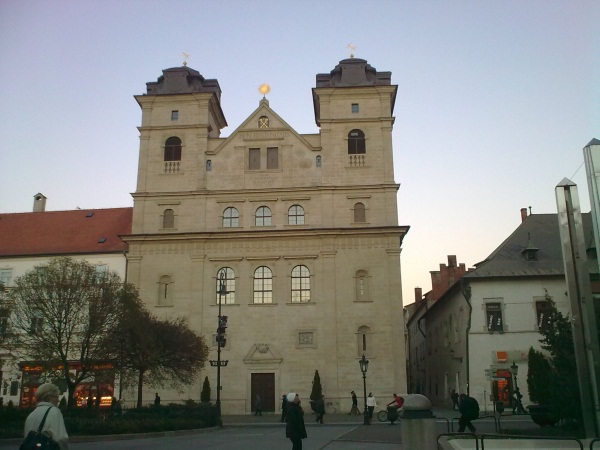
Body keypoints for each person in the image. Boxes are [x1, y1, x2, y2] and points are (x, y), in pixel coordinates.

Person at [24, 383, 69, 450]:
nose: (58, 400)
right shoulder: (54, 411)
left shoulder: (31, 414)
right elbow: (61, 438)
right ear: (49, 397)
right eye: (56, 396)